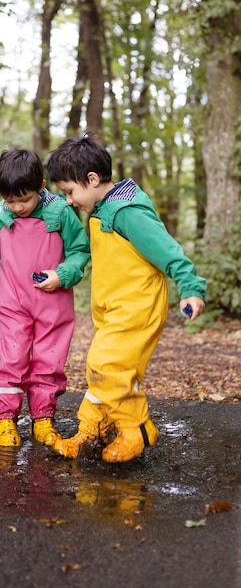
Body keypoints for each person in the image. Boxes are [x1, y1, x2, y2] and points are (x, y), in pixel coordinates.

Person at [46, 134, 206, 463]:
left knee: (106, 367)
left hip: (137, 308)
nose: (69, 200)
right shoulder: (101, 209)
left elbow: (167, 250)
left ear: (91, 180)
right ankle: (91, 430)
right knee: (104, 372)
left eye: (70, 192)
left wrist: (190, 286)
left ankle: (137, 429)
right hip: (113, 311)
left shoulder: (128, 212)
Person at [0, 148, 90, 448]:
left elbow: (79, 251)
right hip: (13, 304)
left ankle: (43, 417)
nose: (18, 207)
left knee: (49, 361)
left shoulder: (61, 212)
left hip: (54, 305)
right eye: (10, 200)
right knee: (13, 359)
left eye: (24, 199)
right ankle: (6, 420)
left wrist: (62, 274)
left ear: (41, 186)